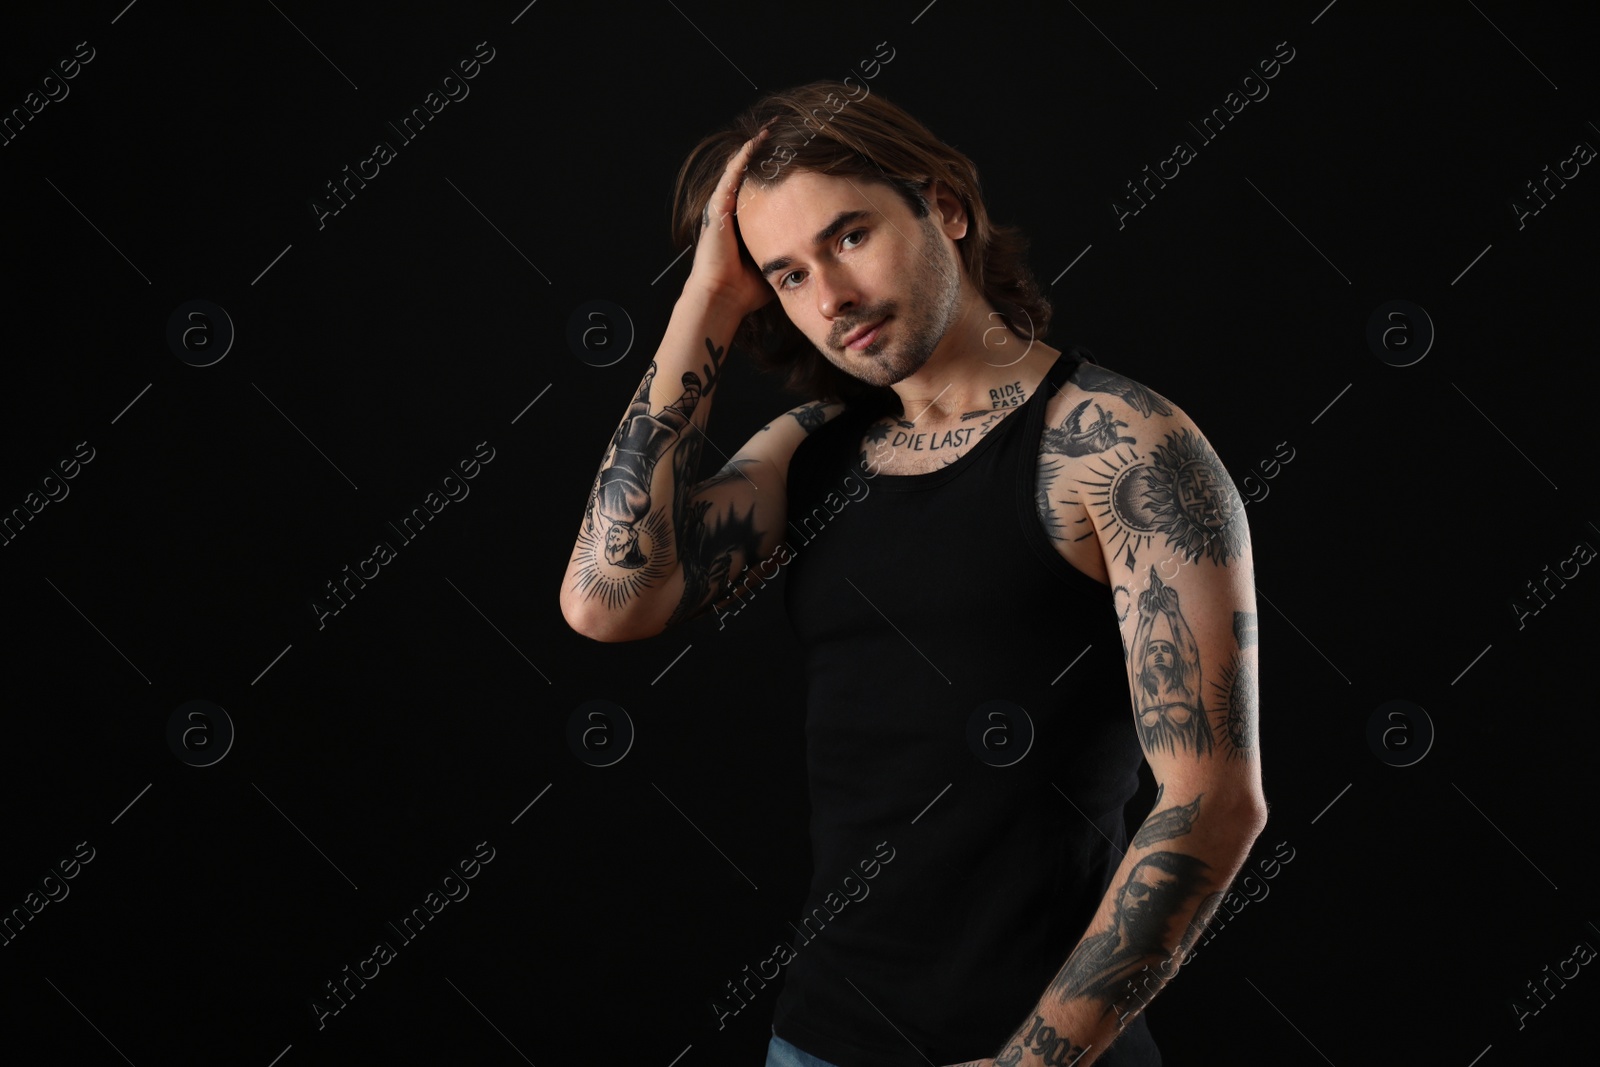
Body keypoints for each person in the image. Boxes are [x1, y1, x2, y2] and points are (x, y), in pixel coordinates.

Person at [559, 80, 1268, 1067]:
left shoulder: (1120, 450)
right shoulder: (808, 454)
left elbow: (1212, 798)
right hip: (821, 1043)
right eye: (787, 274)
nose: (830, 298)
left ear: (944, 206)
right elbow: (606, 597)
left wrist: (1036, 1059)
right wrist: (707, 299)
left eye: (848, 236)